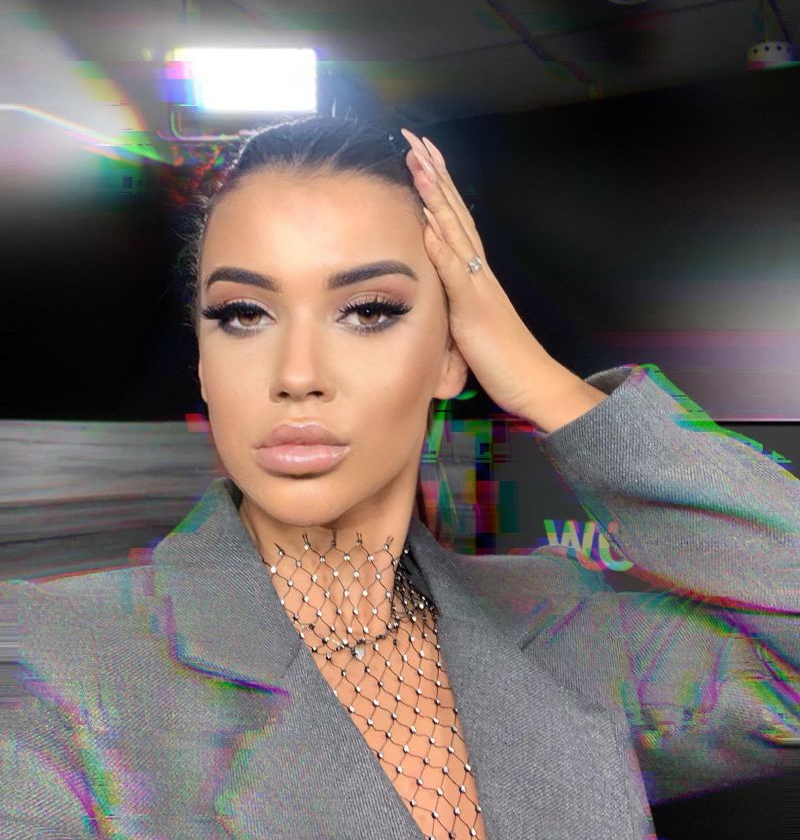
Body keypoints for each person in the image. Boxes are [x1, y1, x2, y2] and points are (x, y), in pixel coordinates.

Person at [1, 115, 798, 840]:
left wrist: (543, 383)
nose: (298, 374)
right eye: (243, 313)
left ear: (456, 350)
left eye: (369, 310)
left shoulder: (560, 625)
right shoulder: (57, 661)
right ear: (205, 362)